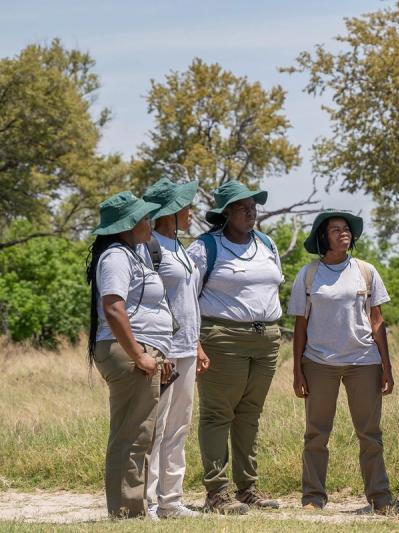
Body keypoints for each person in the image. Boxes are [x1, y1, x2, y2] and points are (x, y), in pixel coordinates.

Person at [186, 180, 283, 515]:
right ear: (225, 213)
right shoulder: (205, 248)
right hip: (222, 338)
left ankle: (248, 489)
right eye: (242, 207)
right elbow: (186, 299)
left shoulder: (267, 243)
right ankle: (216, 493)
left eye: (253, 205)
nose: (250, 211)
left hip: (266, 338)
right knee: (217, 414)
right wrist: (194, 342)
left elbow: (272, 288)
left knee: (249, 415)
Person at [288, 210, 394, 514]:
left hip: (363, 361)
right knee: (316, 434)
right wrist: (297, 370)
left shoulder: (366, 270)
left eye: (346, 229)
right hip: (319, 362)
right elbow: (300, 326)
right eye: (335, 230)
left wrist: (386, 367)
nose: (343, 233)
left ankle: (380, 497)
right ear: (323, 237)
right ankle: (313, 497)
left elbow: (377, 321)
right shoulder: (309, 275)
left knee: (370, 434)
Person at [86, 191, 174, 518]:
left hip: (142, 350)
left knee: (141, 432)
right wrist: (139, 355)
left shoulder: (134, 253)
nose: (149, 223)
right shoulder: (116, 257)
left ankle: (134, 506)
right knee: (131, 434)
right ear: (127, 225)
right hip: (127, 352)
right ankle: (126, 512)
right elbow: (113, 308)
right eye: (144, 218)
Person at [142, 178, 210, 519]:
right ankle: (149, 501)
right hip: (163, 350)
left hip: (186, 348)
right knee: (157, 425)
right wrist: (160, 349)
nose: (191, 212)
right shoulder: (149, 246)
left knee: (179, 426)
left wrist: (196, 344)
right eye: (186, 206)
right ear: (170, 212)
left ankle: (171, 500)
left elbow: (187, 301)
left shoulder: (180, 247)